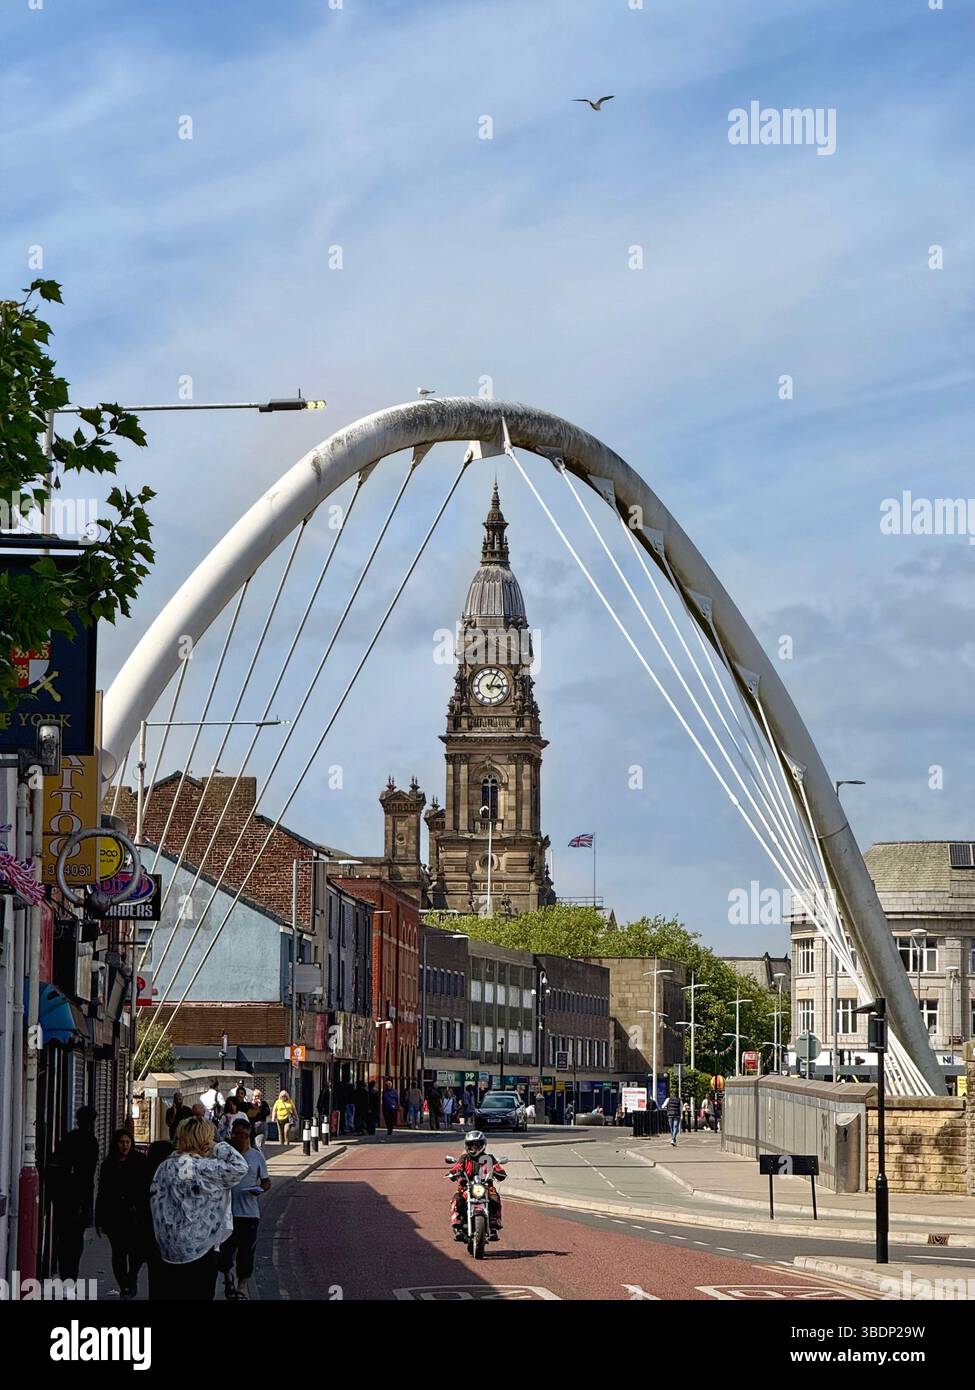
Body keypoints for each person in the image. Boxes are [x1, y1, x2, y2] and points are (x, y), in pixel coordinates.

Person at [150, 1115, 248, 1300]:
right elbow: (240, 1166)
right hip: (199, 1251)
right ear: (205, 1139)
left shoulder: (164, 1167)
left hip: (167, 1251)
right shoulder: (206, 1168)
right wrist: (218, 1146)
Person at [218, 1119, 270, 1301]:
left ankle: (241, 1288)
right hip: (227, 1215)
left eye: (242, 1134)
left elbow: (266, 1181)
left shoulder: (256, 1157)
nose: (238, 1138)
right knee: (224, 1254)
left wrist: (259, 1190)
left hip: (248, 1214)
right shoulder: (226, 1155)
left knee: (245, 1255)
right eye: (235, 1133)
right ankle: (227, 1278)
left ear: (248, 1136)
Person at [95, 1128, 150, 1299]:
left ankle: (131, 1278)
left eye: (127, 1142)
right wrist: (99, 1218)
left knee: (136, 1253)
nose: (124, 1145)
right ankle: (124, 1286)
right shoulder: (108, 1164)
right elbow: (103, 1192)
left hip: (135, 1216)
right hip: (115, 1216)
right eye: (121, 1142)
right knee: (119, 1253)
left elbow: (145, 1188)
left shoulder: (140, 1162)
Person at [47, 1105, 99, 1280]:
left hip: (63, 1198)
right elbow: (88, 1174)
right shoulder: (91, 1142)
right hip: (79, 1198)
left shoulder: (68, 1139)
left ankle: (65, 1274)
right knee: (76, 1242)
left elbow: (55, 1165)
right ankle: (71, 1277)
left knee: (63, 1239)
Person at [448, 1131, 507, 1241]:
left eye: (477, 1144)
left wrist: (499, 1172)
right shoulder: (464, 1158)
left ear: (482, 1145)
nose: (474, 1147)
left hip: (486, 1188)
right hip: (467, 1188)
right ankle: (457, 1224)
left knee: (495, 1198)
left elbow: (497, 1168)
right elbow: (457, 1167)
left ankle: (494, 1223)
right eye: (471, 1144)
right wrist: (453, 1173)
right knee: (457, 1198)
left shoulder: (489, 1158)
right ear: (467, 1145)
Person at [143, 1140, 173, 1299]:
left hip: (151, 1233)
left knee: (155, 1273)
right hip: (167, 1235)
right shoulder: (169, 1175)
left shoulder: (146, 1173)